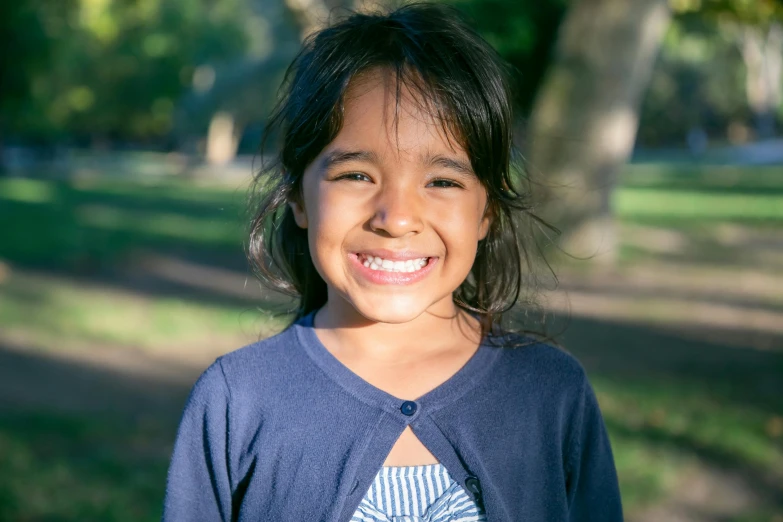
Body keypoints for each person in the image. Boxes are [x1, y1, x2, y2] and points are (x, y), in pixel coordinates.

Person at [162, 3, 623, 521]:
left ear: (486, 212)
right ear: (298, 198)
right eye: (357, 175)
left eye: (442, 182)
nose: (397, 219)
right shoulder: (238, 401)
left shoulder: (551, 393)